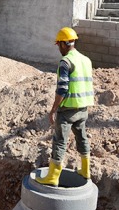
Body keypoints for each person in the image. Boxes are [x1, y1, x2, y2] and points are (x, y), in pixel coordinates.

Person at [36, 27, 94, 186]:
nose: (58, 48)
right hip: (83, 108)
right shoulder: (86, 60)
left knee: (59, 141)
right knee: (81, 137)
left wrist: (54, 108)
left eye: (58, 45)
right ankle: (86, 169)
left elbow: (62, 88)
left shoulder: (66, 62)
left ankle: (53, 176)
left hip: (68, 109)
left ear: (62, 44)